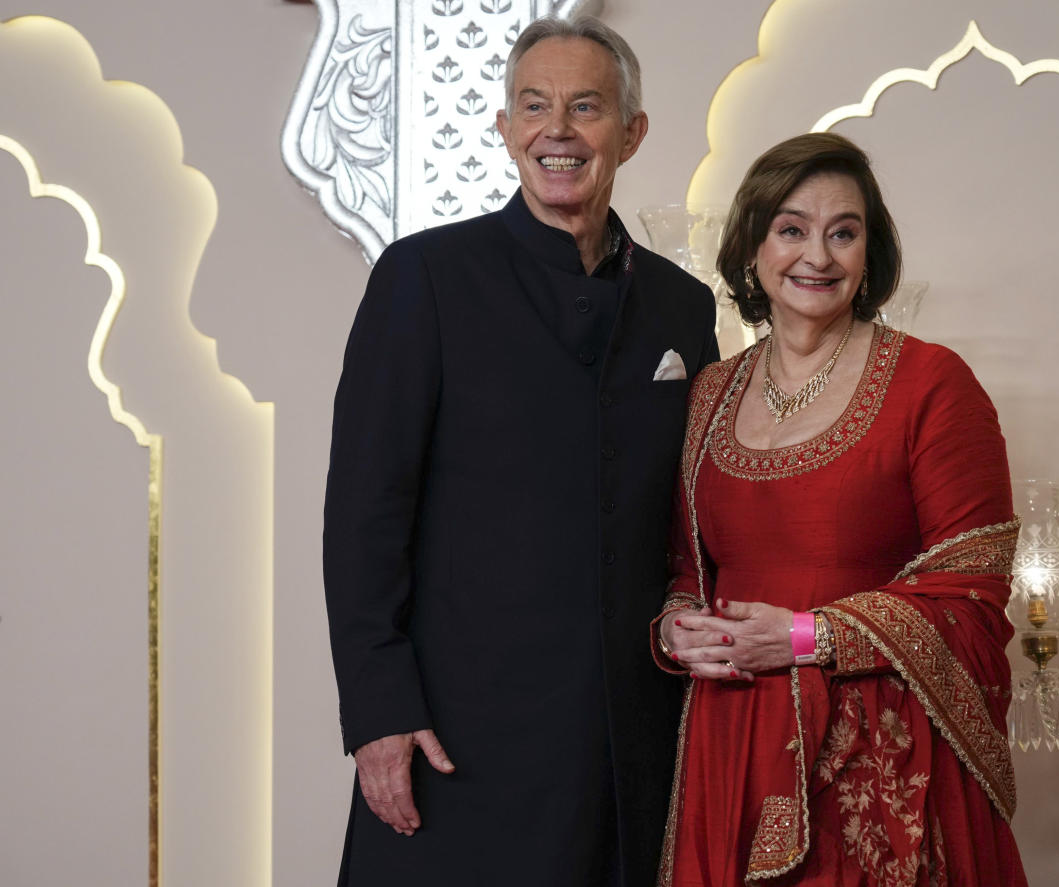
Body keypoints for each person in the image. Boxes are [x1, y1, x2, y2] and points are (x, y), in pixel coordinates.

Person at [322, 15, 719, 887]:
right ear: (505, 129)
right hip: (456, 737)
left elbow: (696, 513)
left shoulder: (682, 309)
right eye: (534, 106)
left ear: (632, 131)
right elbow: (363, 514)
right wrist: (378, 712)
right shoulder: (422, 278)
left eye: (586, 106)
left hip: (628, 741)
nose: (559, 131)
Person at [652, 132, 1028, 886]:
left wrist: (804, 635)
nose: (816, 256)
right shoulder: (710, 394)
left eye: (843, 233)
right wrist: (676, 626)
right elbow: (685, 568)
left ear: (869, 252)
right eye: (792, 229)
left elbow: (974, 594)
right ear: (753, 246)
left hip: (876, 756)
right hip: (731, 738)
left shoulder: (932, 384)